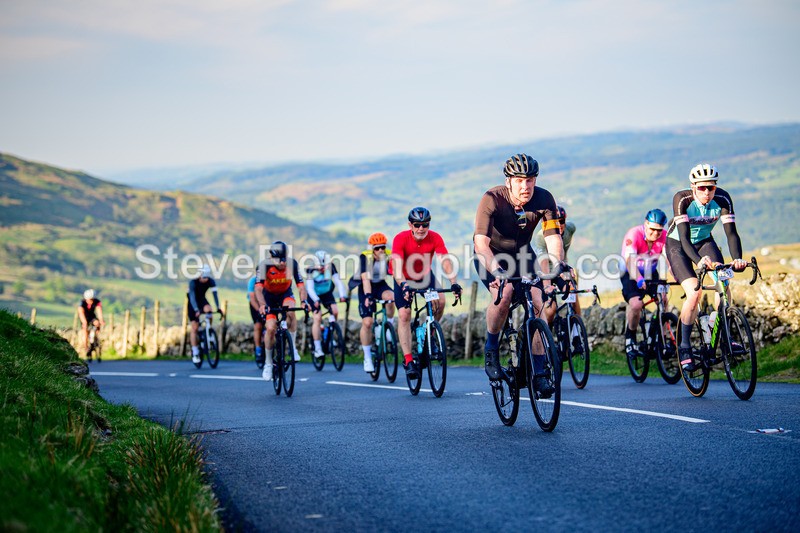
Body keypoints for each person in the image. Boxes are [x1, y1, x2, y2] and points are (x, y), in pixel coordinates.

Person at [473, 153, 568, 398]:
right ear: (509, 182)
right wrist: (497, 271)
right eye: (519, 181)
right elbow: (480, 244)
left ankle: (539, 373)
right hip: (491, 256)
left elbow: (553, 238)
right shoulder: (492, 199)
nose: (525, 186)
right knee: (503, 295)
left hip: (523, 255)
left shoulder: (545, 199)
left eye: (530, 180)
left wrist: (557, 267)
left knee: (538, 303)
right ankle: (492, 349)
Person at [665, 164, 746, 371]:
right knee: (694, 292)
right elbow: (684, 238)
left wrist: (737, 258)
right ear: (693, 187)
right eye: (702, 188)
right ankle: (684, 347)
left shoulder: (723, 199)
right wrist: (698, 261)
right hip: (679, 246)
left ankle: (723, 334)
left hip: (704, 242)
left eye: (711, 187)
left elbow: (731, 234)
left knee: (724, 282)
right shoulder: (682, 199)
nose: (707, 192)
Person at [391, 207, 462, 379]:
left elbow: (444, 260)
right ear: (410, 225)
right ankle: (409, 361)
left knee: (441, 301)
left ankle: (430, 338)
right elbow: (396, 267)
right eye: (417, 225)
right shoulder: (400, 238)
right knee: (404, 314)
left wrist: (453, 282)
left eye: (425, 225)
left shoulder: (435, 237)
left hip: (424, 276)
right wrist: (404, 286)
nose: (421, 228)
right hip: (404, 278)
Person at [619, 209, 669, 359]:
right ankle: (631, 336)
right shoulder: (633, 234)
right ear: (646, 224)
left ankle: (662, 337)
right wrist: (639, 279)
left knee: (663, 299)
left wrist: (679, 276)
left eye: (659, 231)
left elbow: (670, 260)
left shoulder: (664, 237)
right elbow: (630, 261)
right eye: (652, 229)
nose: (655, 234)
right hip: (630, 271)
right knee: (636, 305)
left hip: (650, 272)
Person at [254, 241, 307, 381]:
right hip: (269, 298)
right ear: (271, 257)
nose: (282, 263)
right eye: (279, 260)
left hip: (285, 294)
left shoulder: (292, 264)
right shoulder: (264, 265)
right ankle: (268, 364)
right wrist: (262, 305)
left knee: (291, 312)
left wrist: (303, 301)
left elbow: (301, 286)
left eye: (284, 259)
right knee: (271, 328)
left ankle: (293, 349)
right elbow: (258, 289)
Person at [353, 232, 395, 373]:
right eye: (377, 248)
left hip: (380, 285)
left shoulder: (388, 256)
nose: (381, 251)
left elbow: (395, 273)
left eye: (383, 247)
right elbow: (365, 279)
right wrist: (368, 296)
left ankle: (389, 326)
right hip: (366, 287)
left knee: (392, 298)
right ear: (371, 249)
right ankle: (367, 358)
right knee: (367, 322)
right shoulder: (366, 257)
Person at [532, 204, 582, 317]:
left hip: (560, 268)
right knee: (551, 309)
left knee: (573, 291)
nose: (559, 225)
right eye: (556, 222)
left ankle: (577, 329)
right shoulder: (541, 236)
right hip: (545, 272)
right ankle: (547, 331)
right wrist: (547, 286)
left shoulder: (570, 228)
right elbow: (543, 262)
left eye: (562, 221)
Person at [307, 249, 347, 362]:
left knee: (335, 311)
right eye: (320, 267)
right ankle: (318, 348)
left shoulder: (331, 267)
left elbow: (338, 282)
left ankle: (329, 335)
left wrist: (342, 296)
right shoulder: (310, 271)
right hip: (314, 295)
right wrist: (316, 300)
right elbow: (309, 288)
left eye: (324, 266)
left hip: (326, 293)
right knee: (317, 317)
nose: (323, 269)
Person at [187, 265, 221, 365]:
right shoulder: (193, 282)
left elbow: (215, 295)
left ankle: (208, 330)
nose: (205, 279)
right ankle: (196, 352)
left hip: (202, 300)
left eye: (207, 277)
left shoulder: (211, 281)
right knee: (194, 328)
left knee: (209, 309)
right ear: (200, 275)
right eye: (203, 277)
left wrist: (218, 307)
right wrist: (196, 310)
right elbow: (192, 297)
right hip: (192, 304)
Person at [78, 289, 105, 362]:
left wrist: (101, 320)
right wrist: (84, 322)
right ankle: (86, 347)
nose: (92, 301)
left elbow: (99, 311)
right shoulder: (82, 303)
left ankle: (96, 339)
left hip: (92, 317)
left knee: (97, 323)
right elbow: (81, 313)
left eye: (92, 299)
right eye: (90, 299)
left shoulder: (97, 301)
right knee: (85, 331)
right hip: (84, 318)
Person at [247, 267, 264, 367]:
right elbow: (252, 298)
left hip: (266, 303)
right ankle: (258, 349)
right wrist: (259, 311)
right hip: (255, 305)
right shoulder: (252, 281)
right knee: (258, 325)